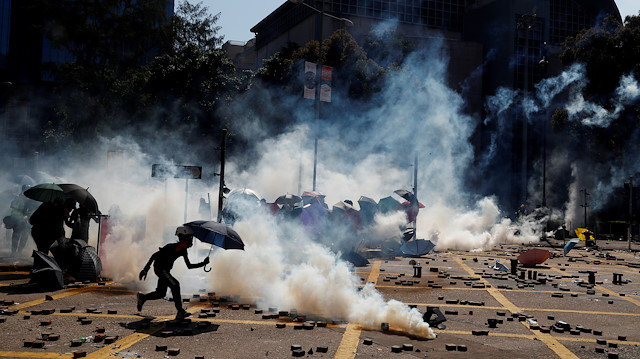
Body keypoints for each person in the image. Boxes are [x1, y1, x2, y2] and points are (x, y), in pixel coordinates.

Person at [137, 226, 209, 320]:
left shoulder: (183, 250)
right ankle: (180, 311)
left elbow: (189, 266)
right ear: (181, 237)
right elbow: (154, 255)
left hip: (165, 271)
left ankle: (143, 297)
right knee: (175, 285)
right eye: (188, 237)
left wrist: (204, 263)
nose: (190, 240)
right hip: (159, 269)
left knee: (161, 293)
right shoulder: (170, 247)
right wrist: (145, 269)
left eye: (191, 238)